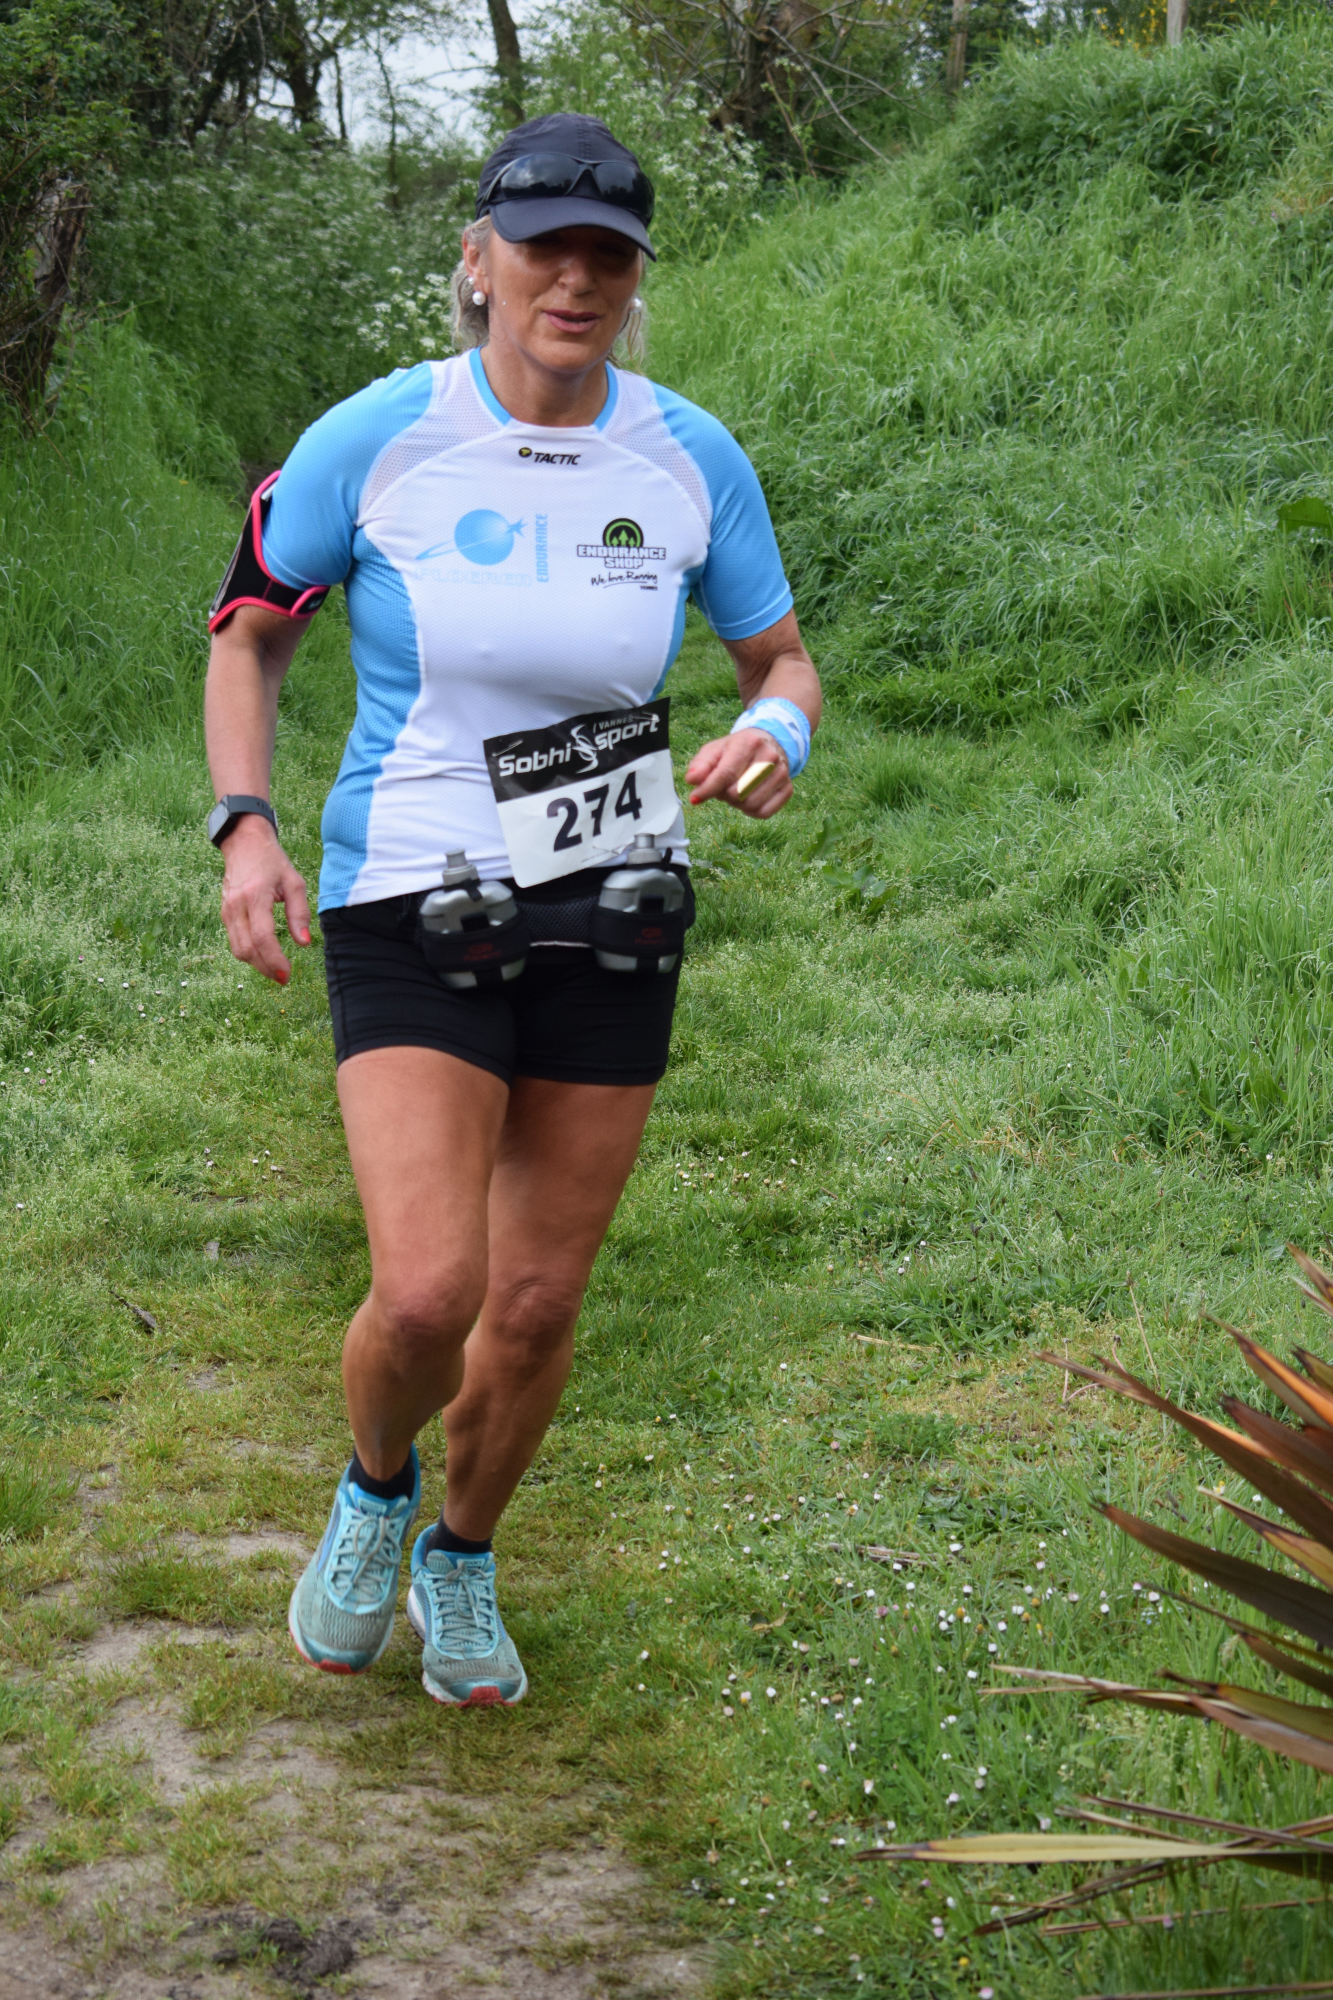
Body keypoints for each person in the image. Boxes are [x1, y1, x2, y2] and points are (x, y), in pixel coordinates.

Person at [203, 111, 822, 1708]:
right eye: (545, 248)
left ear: (636, 279)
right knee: (430, 1290)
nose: (575, 279)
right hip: (411, 883)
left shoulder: (688, 456)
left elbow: (778, 658)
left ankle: (462, 1556)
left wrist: (781, 729)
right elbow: (251, 631)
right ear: (477, 261)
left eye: (607, 255)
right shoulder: (379, 436)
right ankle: (374, 1488)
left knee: (537, 1303)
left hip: (611, 890)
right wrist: (246, 825)